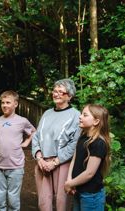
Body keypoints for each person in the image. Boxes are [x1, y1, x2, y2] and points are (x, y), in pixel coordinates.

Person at [32, 78, 81, 211]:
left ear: (69, 96)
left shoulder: (76, 116)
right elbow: (36, 136)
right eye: (55, 91)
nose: (56, 94)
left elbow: (74, 144)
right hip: (42, 163)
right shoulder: (47, 113)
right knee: (44, 201)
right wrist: (39, 157)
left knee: (62, 201)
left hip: (62, 163)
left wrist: (55, 162)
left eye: (61, 92)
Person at [0, 90, 36, 211]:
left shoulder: (22, 121)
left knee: (13, 198)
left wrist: (26, 142)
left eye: (8, 102)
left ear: (16, 104)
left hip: (16, 165)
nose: (4, 105)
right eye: (3, 102)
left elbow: (34, 131)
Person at [64, 104, 111, 211]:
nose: (80, 116)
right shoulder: (82, 137)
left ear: (96, 121)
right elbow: (74, 160)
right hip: (78, 190)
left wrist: (70, 183)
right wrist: (70, 181)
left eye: (85, 115)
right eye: (81, 114)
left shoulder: (98, 143)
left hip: (91, 196)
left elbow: (89, 173)